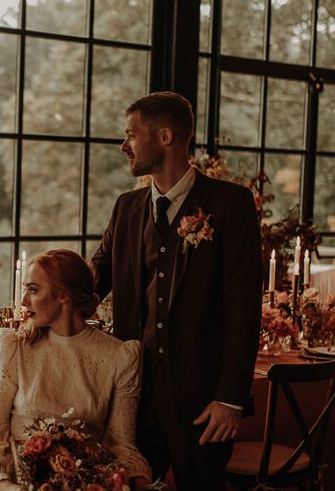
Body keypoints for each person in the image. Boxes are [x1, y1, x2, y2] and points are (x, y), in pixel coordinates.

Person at [91, 91, 263, 490]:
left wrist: (230, 399)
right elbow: (92, 283)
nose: (124, 145)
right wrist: (44, 293)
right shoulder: (126, 207)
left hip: (204, 404)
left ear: (165, 137)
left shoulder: (230, 204)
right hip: (133, 398)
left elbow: (244, 308)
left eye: (131, 135)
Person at [0, 248, 152, 491]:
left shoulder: (121, 356)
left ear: (63, 296)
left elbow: (122, 444)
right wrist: (5, 486)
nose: (23, 301)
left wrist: (140, 483)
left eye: (33, 290)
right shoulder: (14, 347)